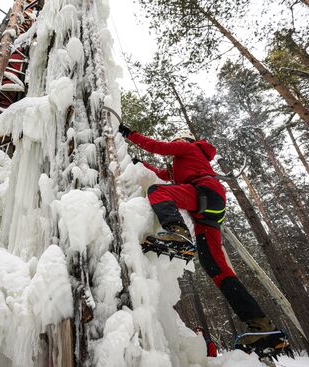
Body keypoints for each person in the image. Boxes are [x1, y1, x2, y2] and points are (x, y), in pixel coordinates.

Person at [118, 125, 289, 354]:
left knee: (158, 192)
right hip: (210, 207)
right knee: (215, 266)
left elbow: (159, 147)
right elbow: (163, 173)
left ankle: (177, 232)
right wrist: (140, 163)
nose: (176, 143)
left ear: (183, 140)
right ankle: (261, 326)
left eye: (177, 140)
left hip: (204, 193)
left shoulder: (188, 148)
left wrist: (129, 134)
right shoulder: (190, 162)